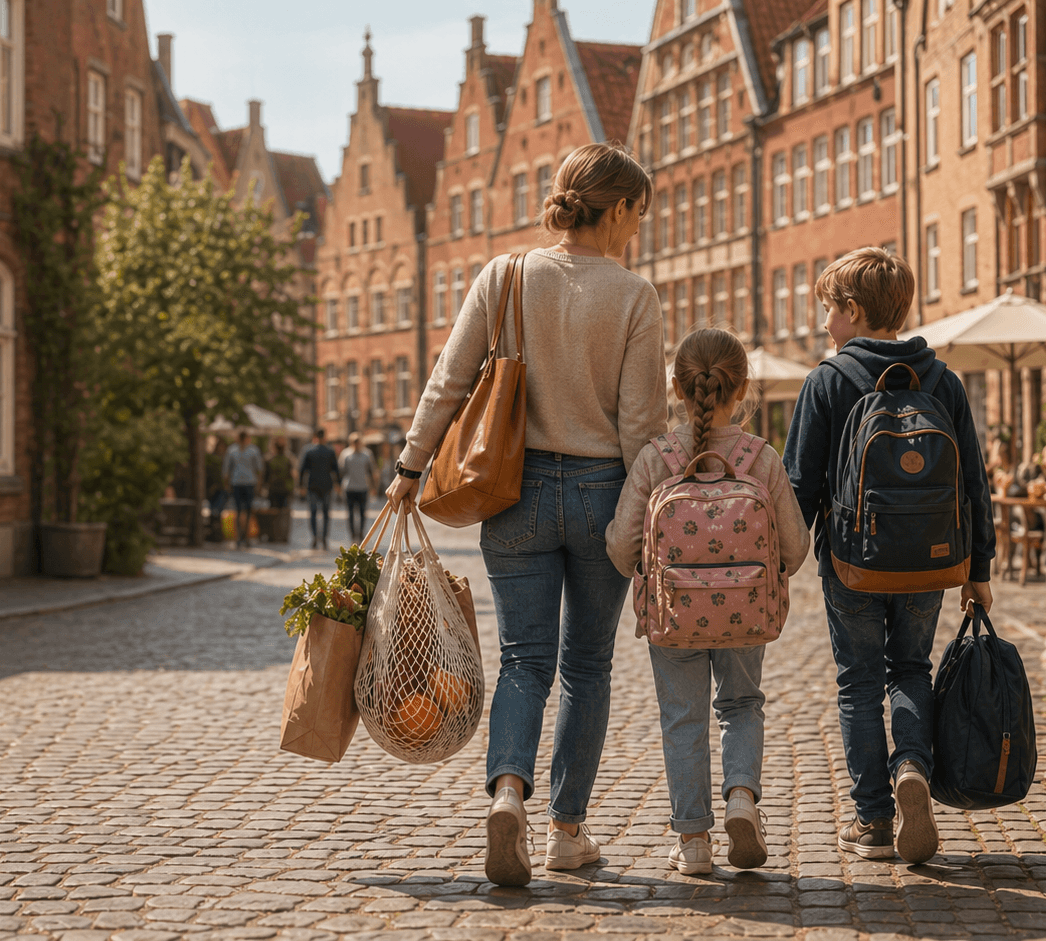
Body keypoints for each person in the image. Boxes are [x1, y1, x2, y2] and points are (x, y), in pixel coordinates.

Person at [385, 142, 668, 886]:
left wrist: (410, 467)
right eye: (640, 212)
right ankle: (566, 830)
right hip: (605, 492)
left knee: (523, 660)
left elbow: (449, 380)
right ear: (618, 209)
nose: (640, 227)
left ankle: (507, 792)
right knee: (587, 666)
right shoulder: (635, 296)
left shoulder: (505, 275)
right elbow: (642, 427)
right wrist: (648, 520)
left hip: (514, 491)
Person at [783, 248, 995, 865]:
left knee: (857, 683)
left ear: (853, 310)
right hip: (930, 559)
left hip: (852, 560)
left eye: (830, 310)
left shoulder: (828, 380)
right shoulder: (943, 381)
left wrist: (783, 565)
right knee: (911, 669)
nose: (826, 324)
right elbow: (973, 484)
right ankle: (913, 768)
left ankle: (873, 819)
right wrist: (978, 569)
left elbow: (800, 486)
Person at [607, 328, 811, 874]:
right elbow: (795, 545)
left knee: (683, 718)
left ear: (676, 387)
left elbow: (619, 542)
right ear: (742, 390)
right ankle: (742, 798)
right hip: (746, 613)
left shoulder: (657, 458)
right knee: (742, 705)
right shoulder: (760, 457)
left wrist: (648, 572)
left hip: (673, 614)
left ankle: (693, 841)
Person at [299, 429, 340, 550]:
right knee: (326, 513)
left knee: (313, 512)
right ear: (325, 437)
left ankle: (315, 537)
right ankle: (325, 538)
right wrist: (338, 484)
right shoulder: (330, 451)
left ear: (315, 437)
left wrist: (301, 485)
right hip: (327, 485)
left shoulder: (308, 451)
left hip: (312, 485)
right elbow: (335, 470)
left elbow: (302, 470)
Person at [223, 431, 264, 550]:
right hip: (238, 483)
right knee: (238, 510)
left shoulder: (253, 451)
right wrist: (227, 484)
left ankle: (245, 537)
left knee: (247, 510)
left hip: (249, 483)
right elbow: (227, 470)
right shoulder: (232, 451)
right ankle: (239, 537)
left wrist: (259, 484)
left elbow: (259, 469)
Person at [340, 433, 376, 543]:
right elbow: (341, 470)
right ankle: (352, 534)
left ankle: (360, 533)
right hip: (349, 488)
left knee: (362, 513)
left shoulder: (367, 454)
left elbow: (371, 471)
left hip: (363, 487)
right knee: (350, 513)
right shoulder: (345, 454)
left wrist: (373, 487)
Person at [204, 438, 229, 543]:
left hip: (222, 489)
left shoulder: (225, 459)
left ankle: (217, 534)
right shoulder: (213, 459)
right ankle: (214, 534)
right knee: (214, 512)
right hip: (213, 489)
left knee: (217, 511)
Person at [265, 439, 294, 510]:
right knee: (284, 510)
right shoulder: (288, 460)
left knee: (273, 510)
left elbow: (266, 475)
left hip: (273, 488)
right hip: (285, 489)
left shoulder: (269, 460)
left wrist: (264, 487)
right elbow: (292, 475)